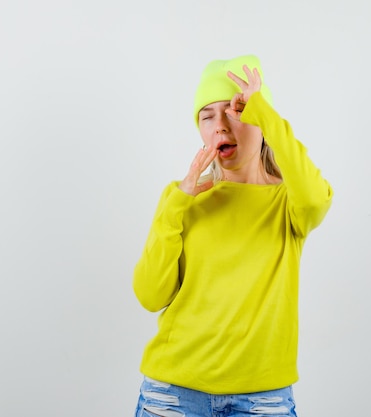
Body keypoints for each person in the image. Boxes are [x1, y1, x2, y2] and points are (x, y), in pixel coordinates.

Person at [132, 55, 333, 417]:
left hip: (262, 399)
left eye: (235, 110)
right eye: (207, 116)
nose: (220, 125)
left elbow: (318, 197)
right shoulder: (180, 198)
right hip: (173, 394)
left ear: (261, 119)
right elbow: (150, 295)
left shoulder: (289, 202)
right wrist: (177, 203)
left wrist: (264, 113)